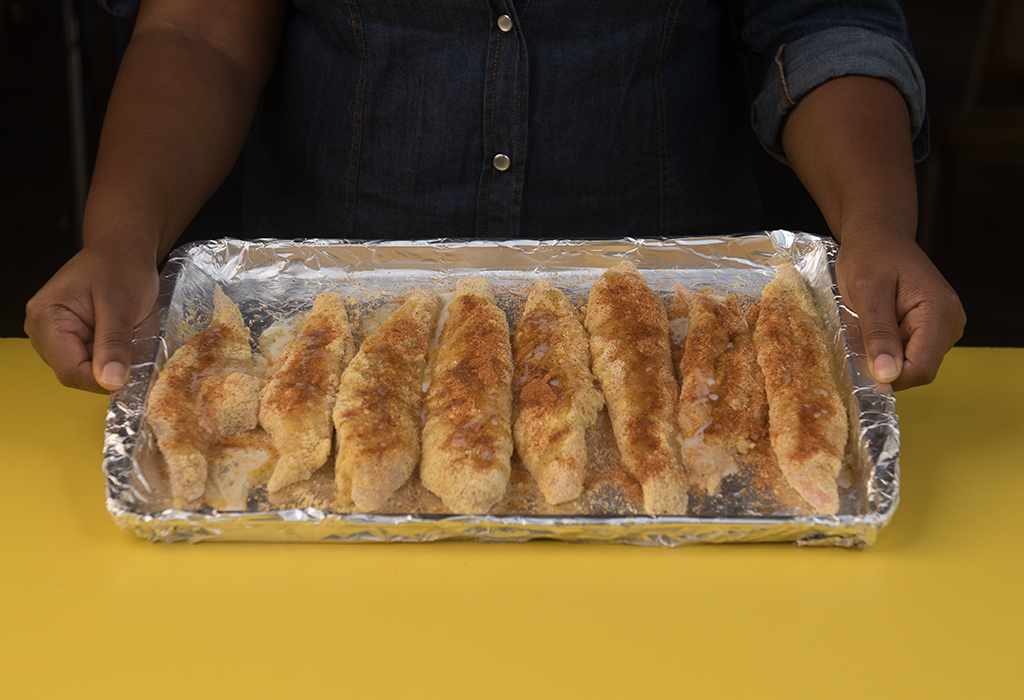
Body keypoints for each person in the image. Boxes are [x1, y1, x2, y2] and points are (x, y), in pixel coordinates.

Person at [25, 0, 965, 393]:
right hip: (321, 340)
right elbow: (202, 31)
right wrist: (120, 235)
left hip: (682, 356)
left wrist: (876, 224)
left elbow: (821, 20)